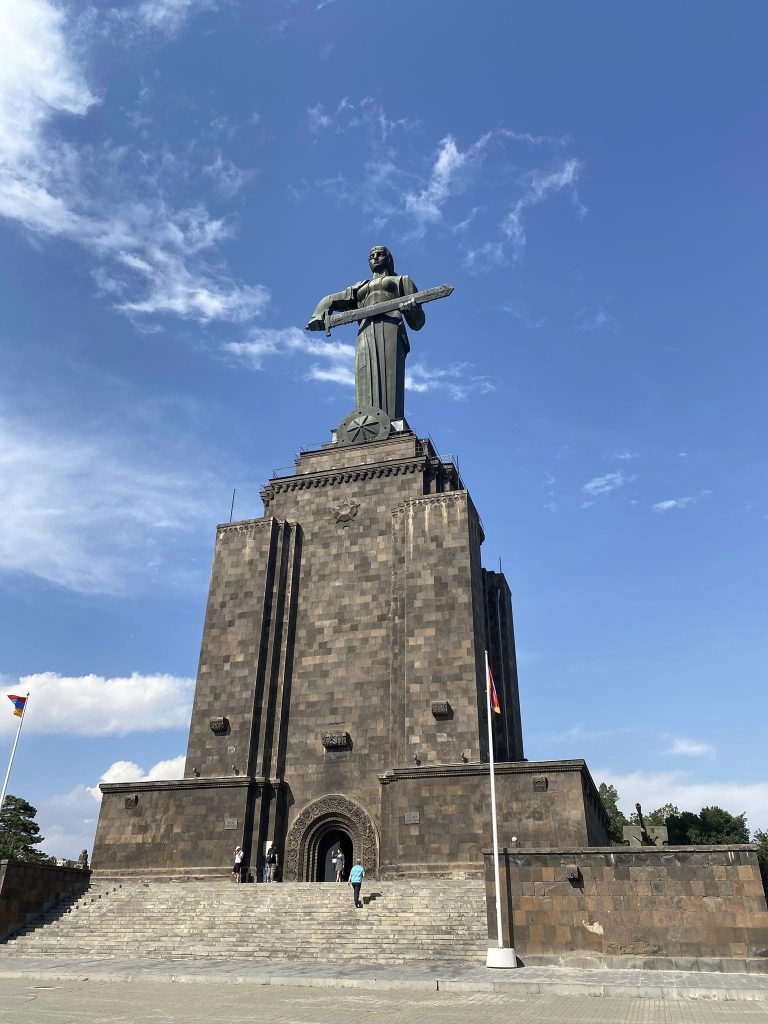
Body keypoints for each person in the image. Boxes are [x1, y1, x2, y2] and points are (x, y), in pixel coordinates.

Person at [306, 246, 425, 421]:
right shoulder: (360, 287)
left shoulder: (402, 280)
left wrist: (410, 310)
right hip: (365, 330)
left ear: (389, 258)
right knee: (364, 373)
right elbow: (329, 300)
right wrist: (318, 314)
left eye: (380, 254)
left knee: (390, 374)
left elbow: (418, 322)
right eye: (371, 256)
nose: (375, 258)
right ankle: (366, 419)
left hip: (391, 326)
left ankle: (390, 420)